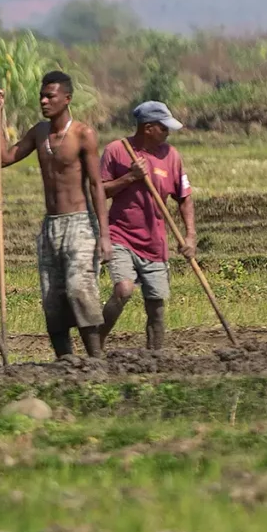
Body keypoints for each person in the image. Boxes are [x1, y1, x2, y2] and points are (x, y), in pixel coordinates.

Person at [0, 71, 111, 363]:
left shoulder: (83, 134)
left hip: (80, 223)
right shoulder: (39, 132)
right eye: (41, 96)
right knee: (53, 298)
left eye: (50, 96)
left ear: (66, 99)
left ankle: (96, 360)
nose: (43, 101)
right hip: (50, 226)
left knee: (79, 289)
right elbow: (2, 159)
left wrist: (103, 236)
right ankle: (65, 362)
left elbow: (96, 185)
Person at [98, 101, 196, 352]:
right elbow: (99, 191)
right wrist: (130, 177)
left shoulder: (171, 156)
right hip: (121, 236)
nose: (168, 133)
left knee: (157, 307)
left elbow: (184, 198)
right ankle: (95, 345)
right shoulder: (117, 151)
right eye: (164, 128)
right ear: (148, 128)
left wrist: (189, 236)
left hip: (155, 244)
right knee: (124, 289)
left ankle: (155, 358)